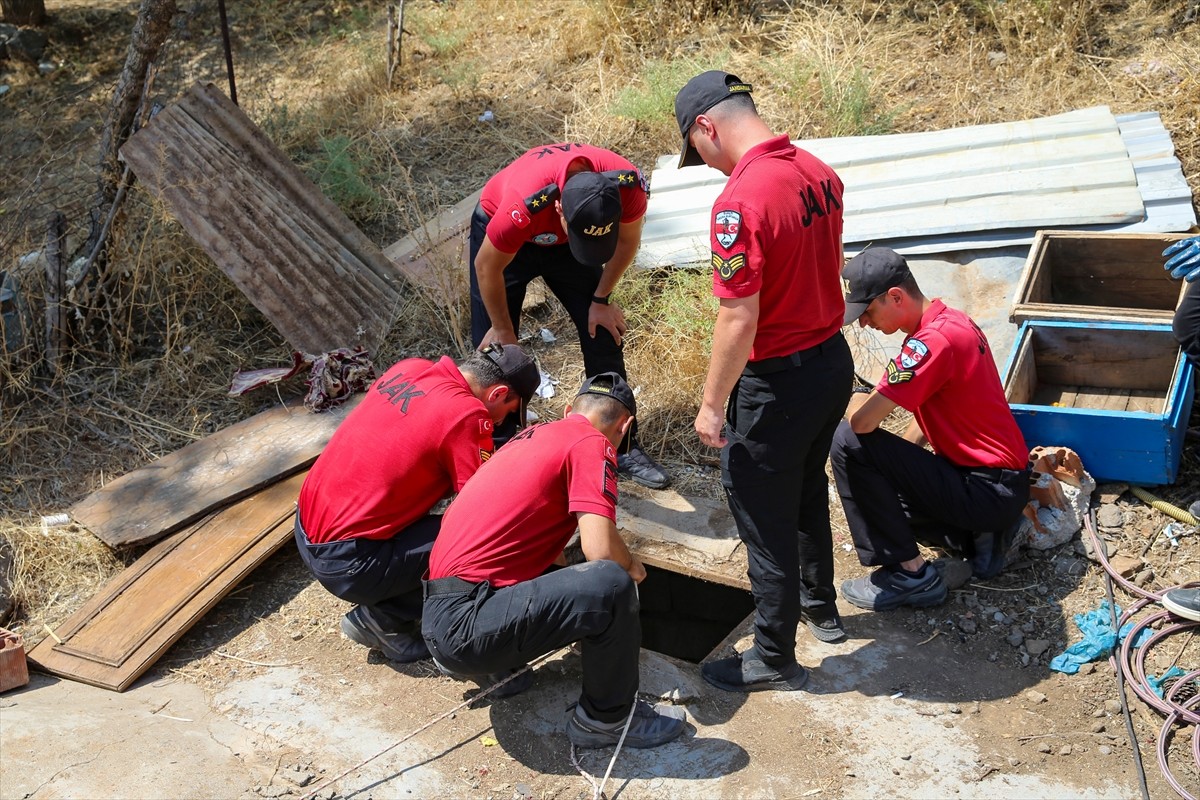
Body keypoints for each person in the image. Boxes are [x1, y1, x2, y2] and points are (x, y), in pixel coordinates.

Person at [673, 71, 855, 693]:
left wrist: (711, 403)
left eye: (697, 149)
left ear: (707, 126)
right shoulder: (817, 171)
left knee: (760, 511)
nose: (706, 162)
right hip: (830, 364)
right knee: (803, 488)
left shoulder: (740, 202)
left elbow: (738, 316)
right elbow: (831, 264)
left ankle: (773, 655)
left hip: (777, 382)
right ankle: (821, 608)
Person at [421, 373, 686, 749]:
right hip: (466, 626)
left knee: (572, 568)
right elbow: (601, 552)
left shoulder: (531, 436)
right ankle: (606, 721)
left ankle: (493, 663)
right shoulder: (593, 443)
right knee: (611, 583)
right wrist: (630, 567)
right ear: (625, 427)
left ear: (567, 410)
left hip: (438, 610)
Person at [294, 343, 540, 663]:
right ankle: (386, 619)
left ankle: (385, 608)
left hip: (305, 529)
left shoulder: (409, 368)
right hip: (347, 564)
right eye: (508, 411)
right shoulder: (467, 414)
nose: (502, 421)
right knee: (489, 540)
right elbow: (482, 507)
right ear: (498, 393)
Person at [831, 247, 1031, 612]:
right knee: (885, 500)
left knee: (846, 441)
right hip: (1000, 486)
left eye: (868, 312)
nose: (863, 324)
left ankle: (910, 576)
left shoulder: (930, 344)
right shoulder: (951, 321)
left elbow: (861, 424)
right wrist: (899, 473)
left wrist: (855, 395)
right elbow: (927, 415)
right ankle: (981, 539)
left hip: (986, 490)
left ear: (895, 297)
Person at [468, 142, 669, 489]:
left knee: (602, 330)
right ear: (559, 206)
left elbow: (627, 243)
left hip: (567, 244)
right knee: (494, 357)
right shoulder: (523, 202)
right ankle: (499, 448)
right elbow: (486, 267)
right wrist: (503, 329)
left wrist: (601, 299)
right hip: (507, 243)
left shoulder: (627, 185)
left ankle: (619, 445)